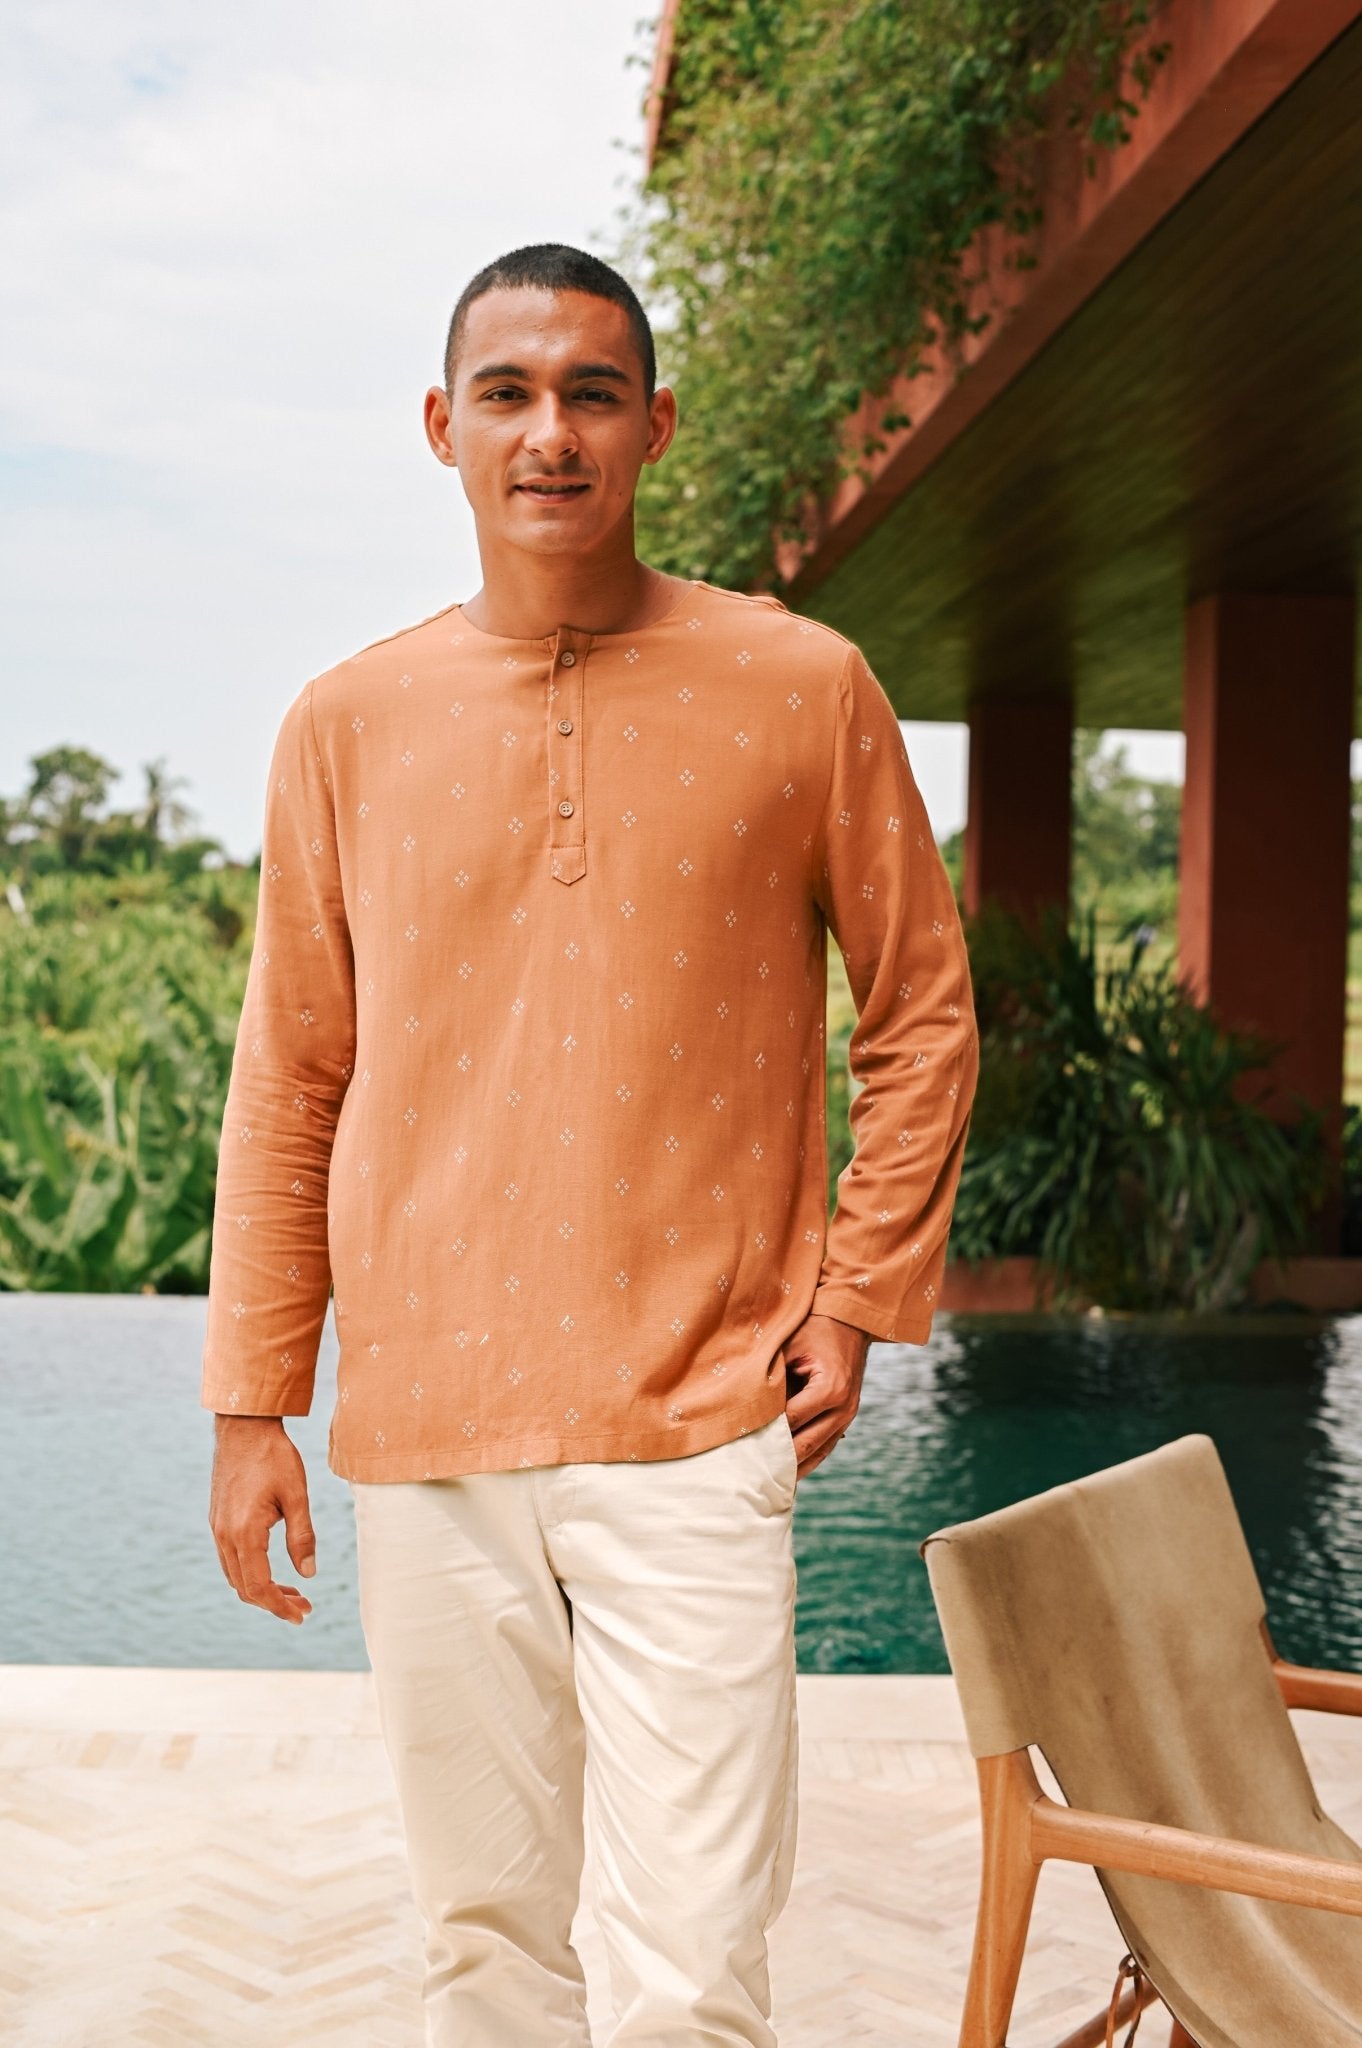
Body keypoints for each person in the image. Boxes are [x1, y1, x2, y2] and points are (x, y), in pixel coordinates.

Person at [203, 240, 979, 2047]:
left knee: (693, 1968)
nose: (548, 433)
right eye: (508, 394)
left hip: (698, 1416)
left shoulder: (803, 686)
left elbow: (923, 1013)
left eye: (590, 394)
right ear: (442, 427)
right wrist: (253, 1404)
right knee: (483, 1944)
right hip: (425, 1425)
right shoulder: (344, 723)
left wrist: (855, 1295)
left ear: (654, 426)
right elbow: (291, 1077)